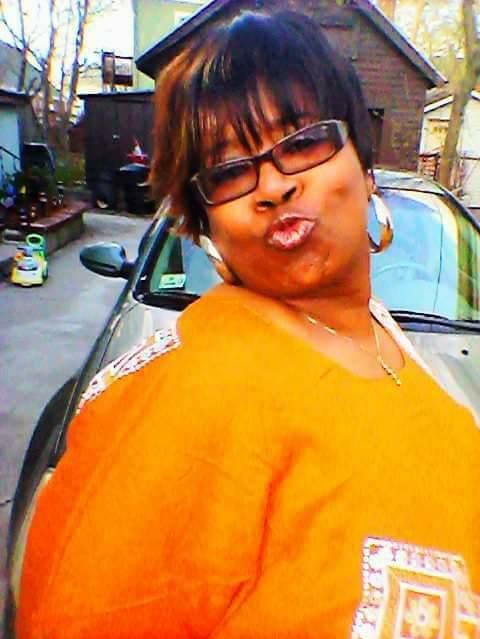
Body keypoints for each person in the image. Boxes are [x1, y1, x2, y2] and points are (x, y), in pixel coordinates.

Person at [17, 11, 480, 639]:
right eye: (230, 172)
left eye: (303, 142)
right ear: (207, 224)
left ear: (365, 167)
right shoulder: (187, 391)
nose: (273, 186)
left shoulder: (403, 360)